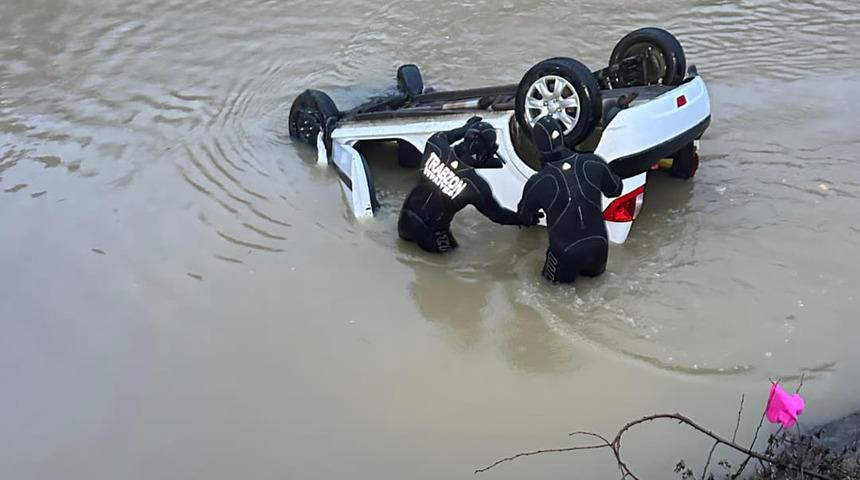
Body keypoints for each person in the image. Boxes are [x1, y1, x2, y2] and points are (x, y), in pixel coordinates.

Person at [518, 116, 624, 283]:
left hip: (564, 252)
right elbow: (615, 190)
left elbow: (524, 217)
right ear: (563, 135)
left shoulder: (537, 182)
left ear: (536, 145)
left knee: (551, 295)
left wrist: (533, 217)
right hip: (600, 246)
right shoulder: (594, 162)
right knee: (596, 288)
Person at [398, 117, 523, 253]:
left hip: (405, 219)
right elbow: (498, 215)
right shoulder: (475, 186)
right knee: (451, 260)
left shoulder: (435, 144)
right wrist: (522, 219)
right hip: (433, 231)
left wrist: (466, 128)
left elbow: (449, 135)